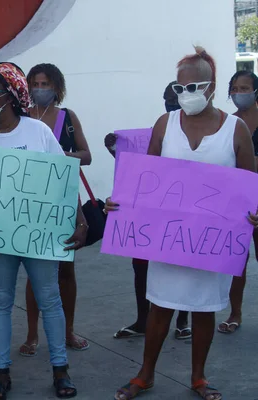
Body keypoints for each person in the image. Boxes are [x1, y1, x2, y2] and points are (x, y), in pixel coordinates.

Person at [108, 47, 258, 400]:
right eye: (180, 88)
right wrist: (120, 203)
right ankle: (145, 375)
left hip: (211, 243)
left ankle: (198, 378)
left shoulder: (234, 129)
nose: (185, 95)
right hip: (168, 241)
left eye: (194, 87)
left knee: (204, 309)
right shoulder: (165, 124)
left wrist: (253, 212)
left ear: (211, 86)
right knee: (161, 305)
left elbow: (250, 185)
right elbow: (146, 180)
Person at [0, 62, 87, 399]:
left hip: (39, 234)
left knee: (50, 299)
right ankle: (1, 373)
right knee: (0, 301)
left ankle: (60, 369)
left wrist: (79, 220)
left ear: (9, 97)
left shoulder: (38, 132)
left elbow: (62, 179)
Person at [104, 82, 191, 341]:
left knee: (184, 262)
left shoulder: (199, 134)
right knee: (140, 264)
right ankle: (143, 319)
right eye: (167, 100)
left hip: (182, 208)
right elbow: (140, 167)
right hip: (150, 208)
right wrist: (116, 150)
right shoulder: (159, 129)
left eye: (175, 100)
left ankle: (183, 320)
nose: (171, 105)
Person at [17, 63, 92, 355]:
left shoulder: (67, 117)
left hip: (62, 201)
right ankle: (32, 334)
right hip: (28, 203)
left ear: (57, 87)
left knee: (65, 270)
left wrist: (58, 156)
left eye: (45, 83)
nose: (40, 89)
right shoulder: (21, 117)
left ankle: (67, 331)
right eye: (35, 83)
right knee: (33, 272)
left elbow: (86, 155)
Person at [217, 70, 258, 334]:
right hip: (239, 202)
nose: (238, 93)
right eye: (234, 88)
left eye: (244, 88)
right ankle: (235, 313)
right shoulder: (229, 124)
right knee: (237, 262)